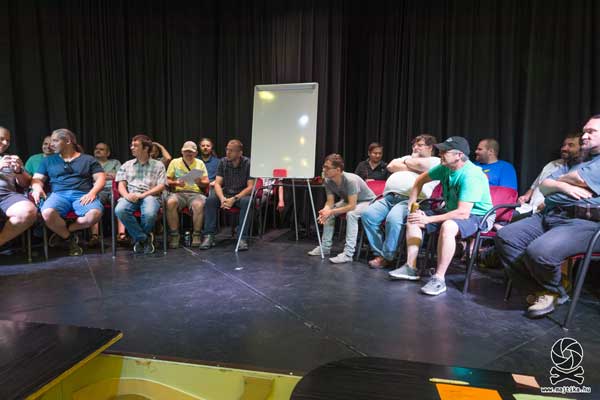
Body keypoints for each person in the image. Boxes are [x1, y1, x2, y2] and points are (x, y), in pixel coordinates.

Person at [495, 116, 600, 318]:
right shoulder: (579, 159)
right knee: (506, 237)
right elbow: (544, 185)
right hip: (551, 214)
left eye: (591, 132)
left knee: (540, 252)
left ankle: (551, 290)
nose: (584, 136)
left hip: (584, 223)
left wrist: (558, 182)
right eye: (584, 131)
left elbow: (576, 178)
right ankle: (546, 291)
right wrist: (563, 185)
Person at [388, 136, 493, 295]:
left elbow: (463, 213)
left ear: (459, 155)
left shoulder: (471, 175)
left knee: (449, 226)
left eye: (445, 151)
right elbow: (420, 180)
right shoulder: (444, 167)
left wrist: (428, 219)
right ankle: (411, 267)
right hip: (453, 210)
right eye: (441, 151)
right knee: (414, 219)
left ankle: (439, 278)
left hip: (478, 215)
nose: (440, 154)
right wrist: (411, 204)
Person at [362, 134, 440, 268]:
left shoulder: (436, 161)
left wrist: (406, 163)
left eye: (420, 145)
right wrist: (415, 167)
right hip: (389, 197)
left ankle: (386, 256)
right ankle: (381, 253)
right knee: (368, 215)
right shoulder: (409, 157)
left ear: (430, 148)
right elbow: (391, 166)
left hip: (412, 200)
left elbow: (421, 164)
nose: (415, 147)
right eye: (414, 145)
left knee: (393, 219)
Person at [31, 129, 105, 256]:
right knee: (47, 213)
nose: (51, 144)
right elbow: (37, 179)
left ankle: (67, 230)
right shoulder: (48, 160)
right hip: (58, 195)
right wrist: (37, 187)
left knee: (95, 215)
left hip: (82, 194)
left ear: (68, 141)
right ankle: (69, 238)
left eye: (55, 141)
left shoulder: (88, 159)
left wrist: (93, 192)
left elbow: (100, 178)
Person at [308, 154, 376, 263]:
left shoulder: (350, 180)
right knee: (328, 214)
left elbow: (352, 206)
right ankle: (325, 248)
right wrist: (326, 210)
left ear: (338, 170)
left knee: (351, 214)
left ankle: (348, 254)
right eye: (324, 167)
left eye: (327, 168)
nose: (324, 170)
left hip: (367, 201)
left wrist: (331, 211)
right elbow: (330, 201)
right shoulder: (328, 180)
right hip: (349, 200)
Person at [114, 134, 167, 254]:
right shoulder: (127, 165)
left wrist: (143, 195)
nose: (132, 148)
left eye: (136, 145)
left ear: (146, 148)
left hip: (150, 195)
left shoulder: (158, 165)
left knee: (149, 214)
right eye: (131, 145)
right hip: (131, 195)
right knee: (120, 210)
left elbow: (161, 186)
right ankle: (144, 238)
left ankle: (139, 239)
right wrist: (126, 195)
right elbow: (121, 185)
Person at [200, 139, 254, 251]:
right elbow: (217, 184)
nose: (228, 153)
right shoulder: (223, 162)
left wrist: (234, 199)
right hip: (226, 194)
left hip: (241, 195)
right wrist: (222, 199)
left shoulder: (248, 163)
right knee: (210, 200)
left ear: (239, 153)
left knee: (248, 202)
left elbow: (250, 187)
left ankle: (242, 237)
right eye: (227, 150)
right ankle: (209, 235)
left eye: (231, 151)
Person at [515, 132, 581, 216]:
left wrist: (548, 203)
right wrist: (525, 197)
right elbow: (535, 185)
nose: (564, 148)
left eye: (570, 145)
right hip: (529, 208)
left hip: (550, 212)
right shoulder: (552, 164)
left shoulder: (580, 170)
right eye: (564, 145)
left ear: (581, 148)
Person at [165, 141, 209, 248]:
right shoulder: (175, 162)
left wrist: (200, 182)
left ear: (195, 153)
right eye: (186, 151)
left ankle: (196, 235)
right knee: (170, 202)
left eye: (191, 152)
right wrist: (176, 183)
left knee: (198, 204)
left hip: (195, 193)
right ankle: (174, 235)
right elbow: (167, 180)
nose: (188, 154)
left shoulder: (199, 163)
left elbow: (206, 181)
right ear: (182, 151)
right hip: (178, 192)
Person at [0, 127, 37, 247]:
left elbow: (25, 184)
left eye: (8, 140)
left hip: (6, 196)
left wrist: (18, 171)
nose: (5, 143)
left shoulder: (9, 158)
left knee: (28, 211)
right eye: (1, 139)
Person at [88, 142, 125, 247]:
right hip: (98, 190)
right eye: (96, 148)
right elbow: (88, 177)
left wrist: (99, 176)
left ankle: (121, 235)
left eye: (101, 149)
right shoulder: (90, 163)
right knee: (93, 204)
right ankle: (95, 236)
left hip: (114, 189)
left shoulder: (115, 162)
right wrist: (108, 175)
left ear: (108, 153)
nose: (98, 150)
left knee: (122, 204)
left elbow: (120, 176)